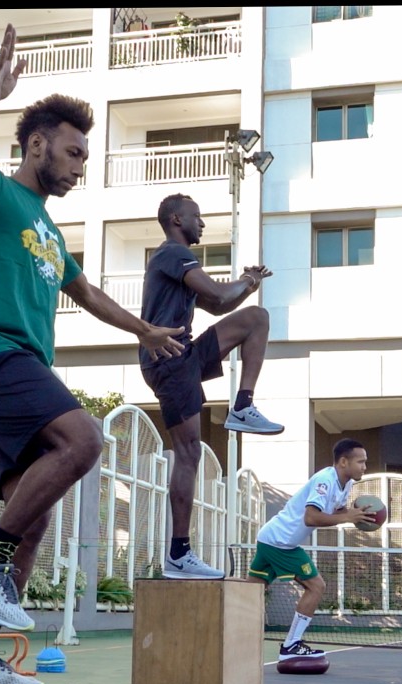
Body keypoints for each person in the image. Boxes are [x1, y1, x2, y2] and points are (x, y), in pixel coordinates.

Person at [0, 23, 185, 684]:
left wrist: (145, 330)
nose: (77, 166)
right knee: (83, 438)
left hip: (19, 368)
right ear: (36, 144)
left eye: (83, 158)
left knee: (32, 512)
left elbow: (87, 291)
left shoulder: (48, 228)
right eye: (72, 153)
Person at [140, 193, 285, 580]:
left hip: (184, 355)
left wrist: (248, 287)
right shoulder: (173, 254)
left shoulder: (180, 264)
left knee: (255, 318)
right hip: (168, 360)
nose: (202, 224)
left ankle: (243, 405)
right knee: (188, 454)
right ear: (176, 219)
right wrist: (244, 280)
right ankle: (179, 554)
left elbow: (218, 306)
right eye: (196, 217)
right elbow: (221, 294)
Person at [247, 438, 372, 660]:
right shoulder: (325, 480)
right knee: (316, 586)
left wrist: (355, 515)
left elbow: (336, 510)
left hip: (272, 539)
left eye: (365, 462)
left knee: (250, 591)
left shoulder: (347, 483)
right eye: (360, 462)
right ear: (343, 462)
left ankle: (217, 586)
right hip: (281, 543)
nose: (364, 466)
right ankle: (291, 645)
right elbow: (311, 517)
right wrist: (346, 518)